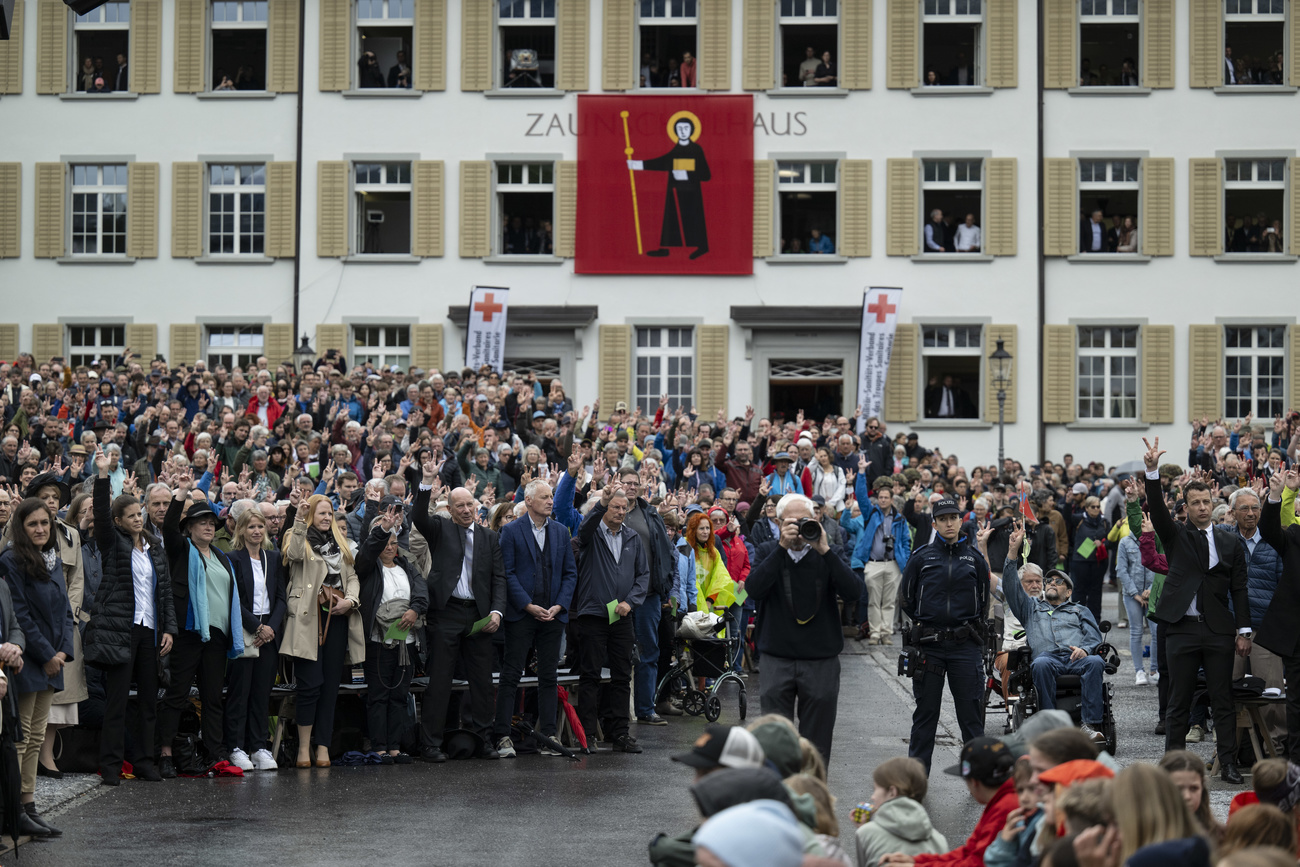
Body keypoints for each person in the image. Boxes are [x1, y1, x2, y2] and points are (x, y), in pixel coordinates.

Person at [1142, 437, 1251, 783]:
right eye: (1196, 503)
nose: (1203, 507)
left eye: (1207, 501)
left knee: (1223, 700)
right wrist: (1151, 470)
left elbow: (1239, 588)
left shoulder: (1230, 540)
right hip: (1181, 627)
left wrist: (1244, 630)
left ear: (1214, 503)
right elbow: (1157, 509)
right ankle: (1173, 764)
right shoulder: (1175, 536)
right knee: (1179, 701)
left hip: (1218, 629)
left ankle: (1229, 763)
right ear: (1186, 507)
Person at [83, 451, 176, 785]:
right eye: (132, 515)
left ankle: (145, 762)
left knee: (150, 702)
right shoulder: (112, 543)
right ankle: (110, 767)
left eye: (140, 514)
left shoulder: (154, 547)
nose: (138, 519)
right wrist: (105, 475)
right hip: (122, 632)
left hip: (150, 632)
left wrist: (169, 630)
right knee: (117, 703)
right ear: (119, 521)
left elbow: (163, 591)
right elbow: (101, 516)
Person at [748, 493, 861, 762]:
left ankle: (814, 797)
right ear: (777, 521)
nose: (799, 528)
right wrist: (781, 548)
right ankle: (779, 798)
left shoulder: (829, 551)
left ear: (817, 519)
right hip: (777, 656)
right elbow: (753, 589)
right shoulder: (767, 550)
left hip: (821, 660)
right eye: (792, 522)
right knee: (775, 738)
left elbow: (854, 592)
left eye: (805, 521)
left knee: (818, 741)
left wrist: (824, 550)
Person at [410, 465, 506, 762]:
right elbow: (418, 516)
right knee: (440, 681)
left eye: (470, 504)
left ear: (477, 506)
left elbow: (498, 578)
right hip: (446, 613)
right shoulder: (440, 529)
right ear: (450, 510)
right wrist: (426, 482)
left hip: (478, 615)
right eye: (460, 506)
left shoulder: (489, 538)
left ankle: (484, 741)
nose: (466, 510)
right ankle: (431, 745)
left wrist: (497, 612)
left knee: (481, 682)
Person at [158, 479, 243, 776]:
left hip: (217, 636)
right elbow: (168, 527)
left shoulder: (221, 556)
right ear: (189, 528)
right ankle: (166, 753)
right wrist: (180, 495)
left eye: (211, 522)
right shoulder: (181, 550)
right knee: (178, 694)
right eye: (201, 522)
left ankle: (215, 753)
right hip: (189, 632)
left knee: (212, 697)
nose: (208, 526)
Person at [898, 497, 989, 773]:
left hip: (965, 646)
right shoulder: (922, 557)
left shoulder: (974, 559)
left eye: (954, 517)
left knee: (971, 718)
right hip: (929, 647)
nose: (949, 523)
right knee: (925, 716)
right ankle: (917, 777)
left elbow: (983, 601)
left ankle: (979, 776)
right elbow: (907, 599)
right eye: (943, 519)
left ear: (961, 521)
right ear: (934, 523)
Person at [0, 497, 74, 837]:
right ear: (21, 526)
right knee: (21, 737)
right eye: (33, 524)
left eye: (45, 523)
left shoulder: (52, 557)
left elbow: (63, 610)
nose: (41, 529)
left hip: (51, 661)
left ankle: (29, 806)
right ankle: (12, 809)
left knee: (34, 739)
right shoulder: (12, 560)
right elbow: (19, 616)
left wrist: (62, 653)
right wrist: (46, 655)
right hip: (26, 661)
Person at [493, 479, 576, 758]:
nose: (551, 501)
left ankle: (550, 735)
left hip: (553, 615)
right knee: (511, 674)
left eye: (552, 496)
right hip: (522, 614)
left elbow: (569, 573)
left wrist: (559, 606)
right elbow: (508, 572)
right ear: (528, 501)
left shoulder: (561, 532)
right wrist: (527, 605)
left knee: (548, 676)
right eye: (544, 497)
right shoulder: (512, 531)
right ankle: (502, 735)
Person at [282, 492, 363, 768]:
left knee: (330, 687)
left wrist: (350, 601)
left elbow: (351, 577)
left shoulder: (340, 544)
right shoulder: (300, 539)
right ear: (310, 516)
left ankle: (323, 746)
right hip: (308, 620)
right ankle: (304, 747)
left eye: (330, 513)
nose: (327, 517)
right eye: (321, 513)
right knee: (310, 685)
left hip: (337, 618)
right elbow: (292, 554)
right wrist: (298, 518)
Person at [1002, 537, 1106, 744]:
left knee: (1096, 662)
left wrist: (1085, 650)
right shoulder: (1031, 608)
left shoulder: (1080, 609)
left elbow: (1094, 636)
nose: (1051, 583)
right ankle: (1049, 724)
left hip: (1076, 657)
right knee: (1040, 663)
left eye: (1058, 582)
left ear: (1068, 592)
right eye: (1048, 581)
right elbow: (1010, 587)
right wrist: (1012, 553)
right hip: (1048, 659)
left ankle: (1089, 725)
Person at [573, 480, 649, 754]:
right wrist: (601, 501)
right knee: (590, 676)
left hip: (622, 617)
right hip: (593, 614)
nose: (619, 511)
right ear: (605, 509)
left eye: (624, 507)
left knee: (621, 676)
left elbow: (643, 576)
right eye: (614, 507)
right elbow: (584, 529)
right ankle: (588, 735)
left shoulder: (632, 538)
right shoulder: (592, 534)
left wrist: (630, 602)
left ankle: (619, 734)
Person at [354, 501, 426, 764]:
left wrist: (415, 610)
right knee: (379, 696)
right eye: (385, 542)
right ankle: (379, 747)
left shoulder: (406, 564)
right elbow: (368, 549)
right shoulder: (367, 568)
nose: (389, 547)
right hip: (378, 640)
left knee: (399, 695)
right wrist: (382, 527)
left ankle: (394, 746)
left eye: (393, 542)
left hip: (406, 641)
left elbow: (421, 590)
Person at [880, 737, 1018, 867]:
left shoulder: (1005, 808)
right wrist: (916, 860)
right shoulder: (1003, 799)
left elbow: (976, 862)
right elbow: (968, 852)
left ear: (974, 782)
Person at [224, 507, 287, 771]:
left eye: (260, 527)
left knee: (262, 692)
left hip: (268, 633)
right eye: (251, 527)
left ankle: (259, 745)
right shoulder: (233, 558)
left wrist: (269, 628)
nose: (257, 531)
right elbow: (233, 599)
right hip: (245, 630)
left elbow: (281, 598)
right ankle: (236, 747)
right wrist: (256, 627)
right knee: (240, 691)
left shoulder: (272, 557)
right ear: (241, 530)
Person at [1258, 469, 1300, 763]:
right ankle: (1297, 762)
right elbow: (1271, 531)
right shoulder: (1295, 536)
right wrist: (1277, 494)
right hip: (1297, 636)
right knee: (1296, 702)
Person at [855, 756, 948, 867]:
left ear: (892, 792)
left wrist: (863, 829)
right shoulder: (939, 840)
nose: (872, 797)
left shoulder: (865, 834)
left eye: (875, 789)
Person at [855, 471, 911, 646]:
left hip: (893, 564)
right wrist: (862, 474)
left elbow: (905, 540)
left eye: (886, 497)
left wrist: (905, 559)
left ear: (892, 499)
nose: (883, 500)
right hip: (874, 562)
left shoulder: (900, 519)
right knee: (873, 600)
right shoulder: (871, 514)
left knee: (889, 601)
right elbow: (861, 497)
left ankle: (886, 633)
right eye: (880, 497)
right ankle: (874, 633)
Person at [1116, 480, 1157, 686]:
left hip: (1152, 592)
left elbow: (1160, 567)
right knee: (1136, 631)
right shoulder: (1125, 542)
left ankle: (1154, 669)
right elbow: (1121, 570)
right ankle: (1139, 670)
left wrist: (1150, 590)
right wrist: (1135, 593)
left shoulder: (1156, 539)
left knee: (1156, 631)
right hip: (1132, 595)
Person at [1159, 750, 1221, 840]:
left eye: (1194, 788)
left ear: (1202, 789)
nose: (1187, 796)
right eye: (1178, 789)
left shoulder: (1217, 835)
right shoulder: (1147, 837)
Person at [1068, 496, 1109, 623]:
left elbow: (1111, 540)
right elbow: (1066, 519)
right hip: (1080, 561)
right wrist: (1069, 502)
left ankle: (1095, 621)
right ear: (1086, 508)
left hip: (1098, 562)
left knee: (1096, 591)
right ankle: (1077, 619)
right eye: (1093, 507)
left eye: (1098, 507)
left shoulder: (1105, 521)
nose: (1096, 509)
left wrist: (1103, 544)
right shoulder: (1078, 519)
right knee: (1079, 590)